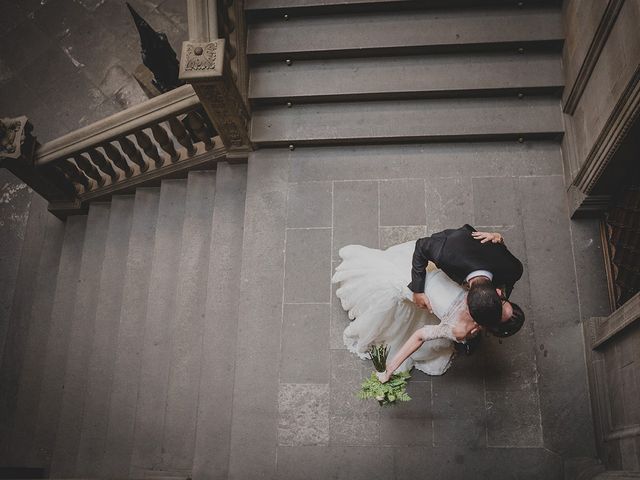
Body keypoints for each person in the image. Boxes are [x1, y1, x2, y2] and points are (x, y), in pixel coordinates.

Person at [332, 231, 524, 377]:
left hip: (443, 283)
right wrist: (417, 291)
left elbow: (419, 336)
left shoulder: (511, 271)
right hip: (428, 274)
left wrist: (499, 239)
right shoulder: (448, 250)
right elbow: (422, 247)